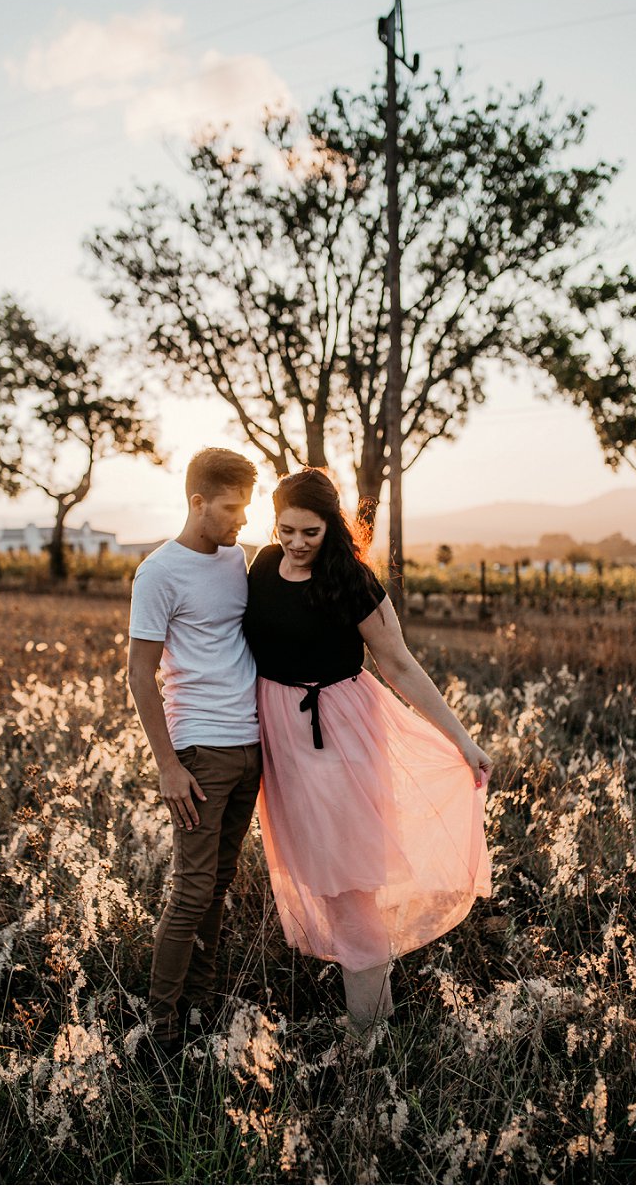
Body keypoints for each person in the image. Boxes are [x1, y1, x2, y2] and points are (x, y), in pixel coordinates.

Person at [243, 468, 493, 1037]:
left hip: (341, 736)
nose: (298, 542)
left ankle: (370, 1034)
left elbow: (400, 664)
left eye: (311, 531)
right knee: (325, 877)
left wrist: (462, 737)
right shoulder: (260, 566)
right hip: (284, 741)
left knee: (349, 883)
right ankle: (368, 1018)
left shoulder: (352, 581)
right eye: (287, 530)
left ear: (332, 526)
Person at [128, 447, 262, 1051]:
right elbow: (139, 673)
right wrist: (168, 765)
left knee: (220, 881)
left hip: (251, 746)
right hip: (200, 750)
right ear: (197, 502)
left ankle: (201, 1003)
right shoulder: (159, 573)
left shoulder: (240, 559)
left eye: (246, 507)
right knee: (191, 888)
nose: (241, 520)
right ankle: (160, 1025)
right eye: (232, 508)